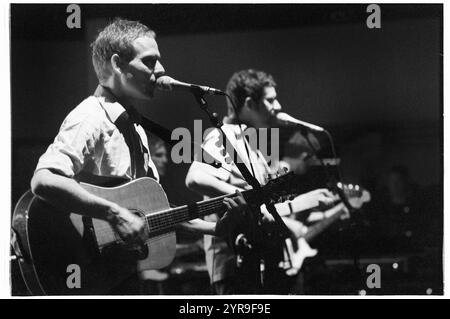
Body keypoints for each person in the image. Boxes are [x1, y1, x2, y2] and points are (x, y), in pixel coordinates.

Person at [30, 18, 246, 294]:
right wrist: (114, 213)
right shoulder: (91, 117)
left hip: (120, 275)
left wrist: (215, 229)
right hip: (88, 271)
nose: (162, 69)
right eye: (150, 61)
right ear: (118, 64)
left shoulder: (135, 129)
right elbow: (43, 180)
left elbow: (155, 213)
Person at [185, 69, 336, 294]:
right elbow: (195, 177)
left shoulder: (250, 142)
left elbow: (263, 208)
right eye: (270, 100)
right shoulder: (224, 135)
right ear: (249, 103)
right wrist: (248, 197)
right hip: (234, 267)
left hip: (256, 262)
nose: (278, 106)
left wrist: (306, 201)